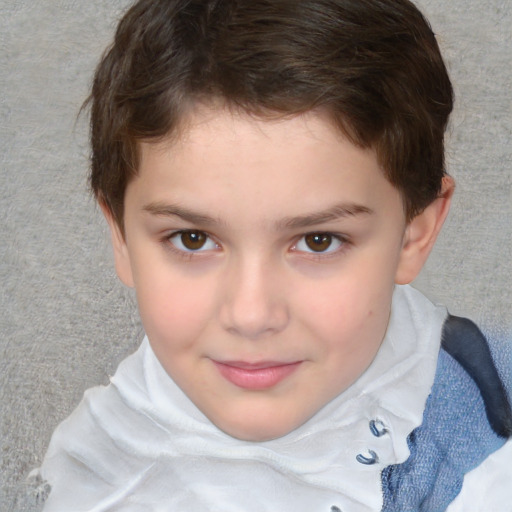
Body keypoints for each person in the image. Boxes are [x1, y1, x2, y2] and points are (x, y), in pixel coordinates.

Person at [34, 0, 512, 510]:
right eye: (192, 239)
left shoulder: (488, 444)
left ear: (415, 233)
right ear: (122, 238)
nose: (251, 315)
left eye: (318, 241)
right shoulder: (90, 470)